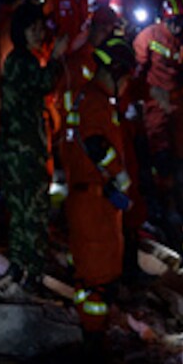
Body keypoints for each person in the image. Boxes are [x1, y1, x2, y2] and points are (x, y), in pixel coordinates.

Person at [62, 38, 136, 338]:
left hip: (84, 199)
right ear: (117, 72)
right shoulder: (96, 101)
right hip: (94, 205)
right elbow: (95, 144)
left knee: (85, 277)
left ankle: (85, 331)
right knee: (98, 280)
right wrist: (119, 177)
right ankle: (93, 342)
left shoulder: (84, 96)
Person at [0, 2, 67, 286]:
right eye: (33, 28)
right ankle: (33, 269)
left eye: (42, 28)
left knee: (19, 208)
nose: (39, 33)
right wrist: (56, 58)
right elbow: (44, 83)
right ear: (20, 31)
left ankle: (19, 263)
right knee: (34, 210)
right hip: (27, 150)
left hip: (14, 149)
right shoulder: (24, 60)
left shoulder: (17, 59)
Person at [133, 0, 183, 217]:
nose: (178, 27)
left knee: (181, 149)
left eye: (181, 22)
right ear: (164, 19)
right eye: (174, 22)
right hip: (154, 101)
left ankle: (176, 193)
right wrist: (138, 100)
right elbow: (137, 72)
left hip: (177, 101)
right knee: (159, 151)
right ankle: (161, 199)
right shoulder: (148, 36)